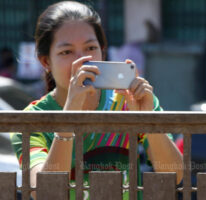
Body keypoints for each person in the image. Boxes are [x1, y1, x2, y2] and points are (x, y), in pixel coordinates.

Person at [10, 1, 183, 200]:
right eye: (66, 52)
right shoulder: (32, 120)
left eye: (90, 48)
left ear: (103, 50)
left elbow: (174, 174)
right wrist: (69, 117)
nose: (82, 60)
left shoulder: (129, 101)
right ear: (46, 61)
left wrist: (147, 119)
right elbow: (46, 194)